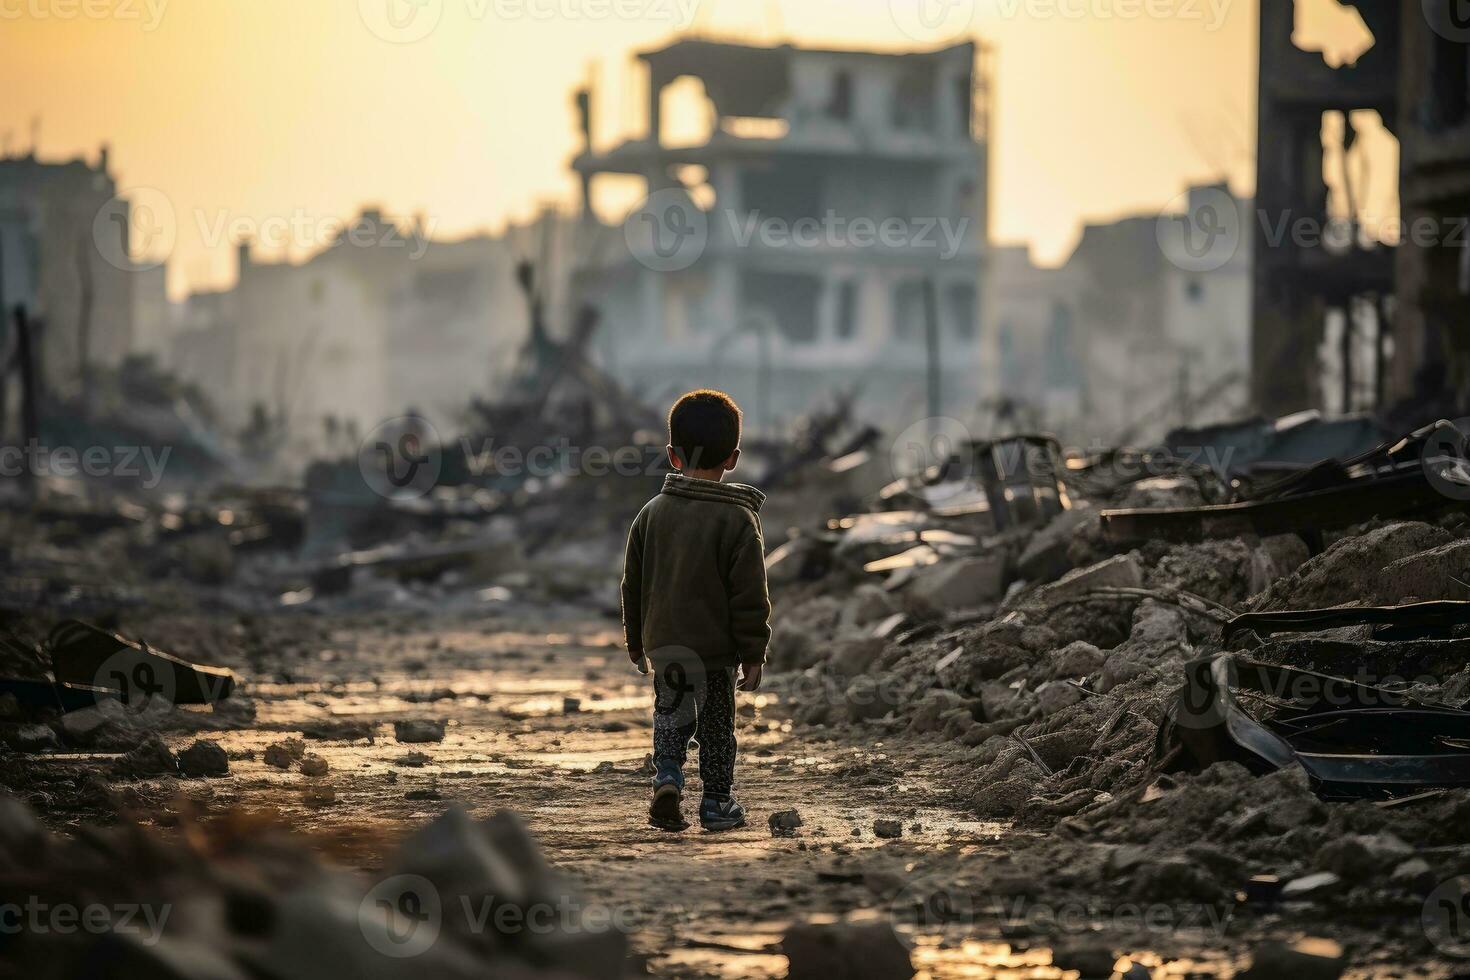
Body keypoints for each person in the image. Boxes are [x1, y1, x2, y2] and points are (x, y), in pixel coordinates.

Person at [621, 389, 770, 831]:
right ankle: (716, 803)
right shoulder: (738, 521)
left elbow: (634, 583)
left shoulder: (651, 513)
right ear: (733, 458)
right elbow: (749, 594)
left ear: (672, 455)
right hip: (716, 653)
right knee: (717, 729)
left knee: (670, 714)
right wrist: (754, 652)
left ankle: (667, 775)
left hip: (665, 646)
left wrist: (635, 641)